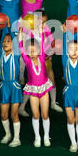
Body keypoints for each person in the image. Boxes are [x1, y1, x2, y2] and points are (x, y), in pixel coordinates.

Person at [18, 19, 53, 147]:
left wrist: (40, 32)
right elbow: (21, 48)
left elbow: (43, 43)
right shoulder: (27, 60)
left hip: (43, 88)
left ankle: (46, 136)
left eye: (34, 50)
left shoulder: (42, 56)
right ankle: (37, 137)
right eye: (30, 51)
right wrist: (20, 36)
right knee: (36, 114)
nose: (32, 53)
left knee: (45, 114)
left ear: (39, 50)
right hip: (33, 90)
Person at [0, 22, 23, 147]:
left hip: (14, 87)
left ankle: (16, 138)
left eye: (8, 41)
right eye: (4, 41)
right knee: (3, 114)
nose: (5, 43)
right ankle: (8, 134)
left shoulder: (16, 54)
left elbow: (19, 42)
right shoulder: (0, 53)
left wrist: (10, 28)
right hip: (4, 86)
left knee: (13, 114)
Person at [60, 23, 78, 152]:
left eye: (77, 49)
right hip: (68, 92)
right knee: (70, 119)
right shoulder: (65, 60)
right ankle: (73, 143)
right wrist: (65, 33)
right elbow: (65, 47)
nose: (74, 51)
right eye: (71, 49)